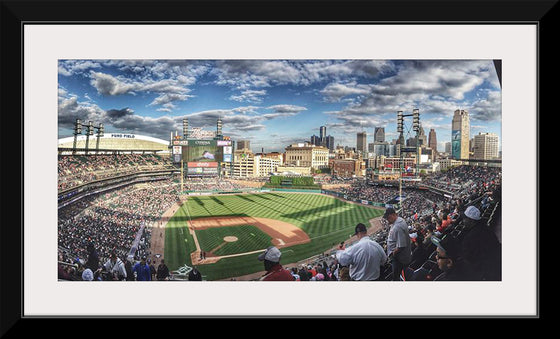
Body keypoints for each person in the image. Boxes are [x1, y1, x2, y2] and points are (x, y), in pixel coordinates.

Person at [460, 205, 502, 281]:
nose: (463, 221)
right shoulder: (486, 228)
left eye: (465, 219)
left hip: (486, 272)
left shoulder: (470, 238)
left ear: (471, 220)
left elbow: (468, 258)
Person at [384, 208, 412, 281]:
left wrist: (393, 254)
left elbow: (401, 246)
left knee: (396, 277)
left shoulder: (398, 226)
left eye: (388, 217)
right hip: (402, 257)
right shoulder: (399, 220)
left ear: (393, 215)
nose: (387, 220)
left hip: (399, 259)